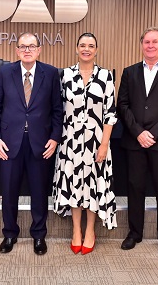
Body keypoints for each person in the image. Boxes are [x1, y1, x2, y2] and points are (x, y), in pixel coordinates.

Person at [0, 32, 63, 255]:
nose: (27, 50)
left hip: (41, 144)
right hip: (10, 144)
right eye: (23, 46)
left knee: (39, 192)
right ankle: (9, 234)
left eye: (32, 46)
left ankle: (39, 235)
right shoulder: (5, 72)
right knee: (9, 192)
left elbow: (58, 110)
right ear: (17, 50)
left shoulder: (50, 73)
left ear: (39, 49)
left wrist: (55, 138)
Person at [117, 27, 158, 257]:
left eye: (155, 42)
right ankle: (134, 233)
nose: (151, 45)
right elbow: (122, 105)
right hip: (134, 141)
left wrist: (152, 134)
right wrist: (138, 132)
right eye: (146, 42)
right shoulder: (129, 72)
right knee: (135, 189)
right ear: (141, 44)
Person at [53, 33, 117, 255]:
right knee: (73, 185)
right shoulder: (65, 76)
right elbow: (57, 110)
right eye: (82, 45)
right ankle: (76, 231)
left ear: (96, 50)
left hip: (97, 143)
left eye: (91, 46)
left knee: (92, 186)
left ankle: (90, 230)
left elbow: (110, 113)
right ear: (76, 48)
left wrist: (104, 144)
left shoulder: (106, 76)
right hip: (70, 141)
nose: (86, 49)